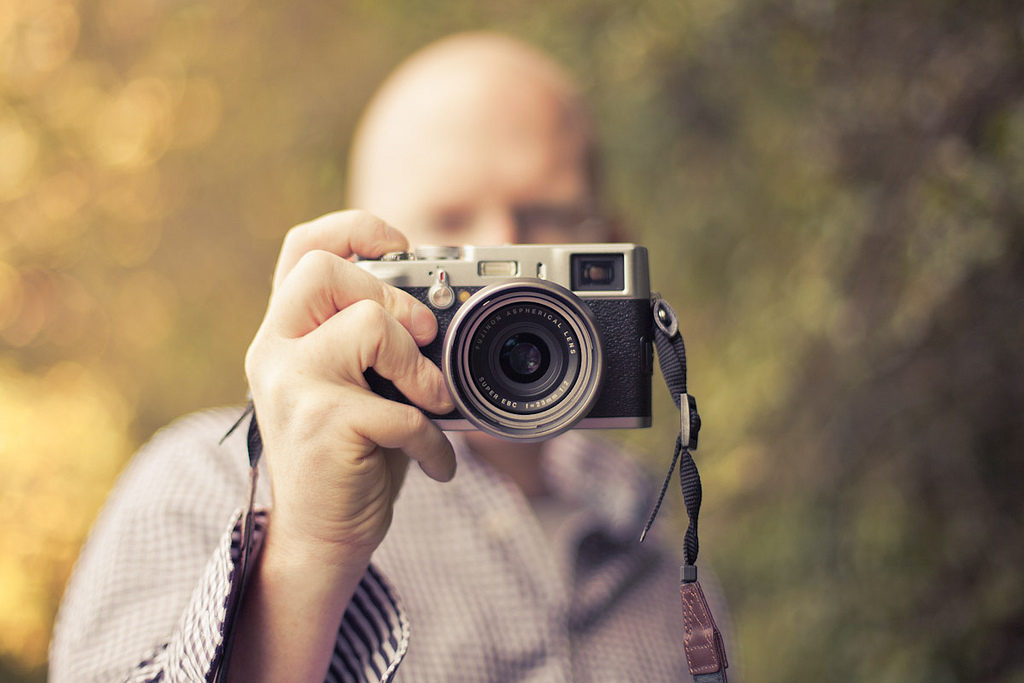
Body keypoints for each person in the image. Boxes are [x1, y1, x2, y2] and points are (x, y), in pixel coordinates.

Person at [50, 32, 729, 682]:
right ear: (360, 256)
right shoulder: (203, 483)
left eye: (544, 216)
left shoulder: (654, 531)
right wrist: (305, 554)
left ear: (614, 253)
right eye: (451, 223)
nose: (501, 258)